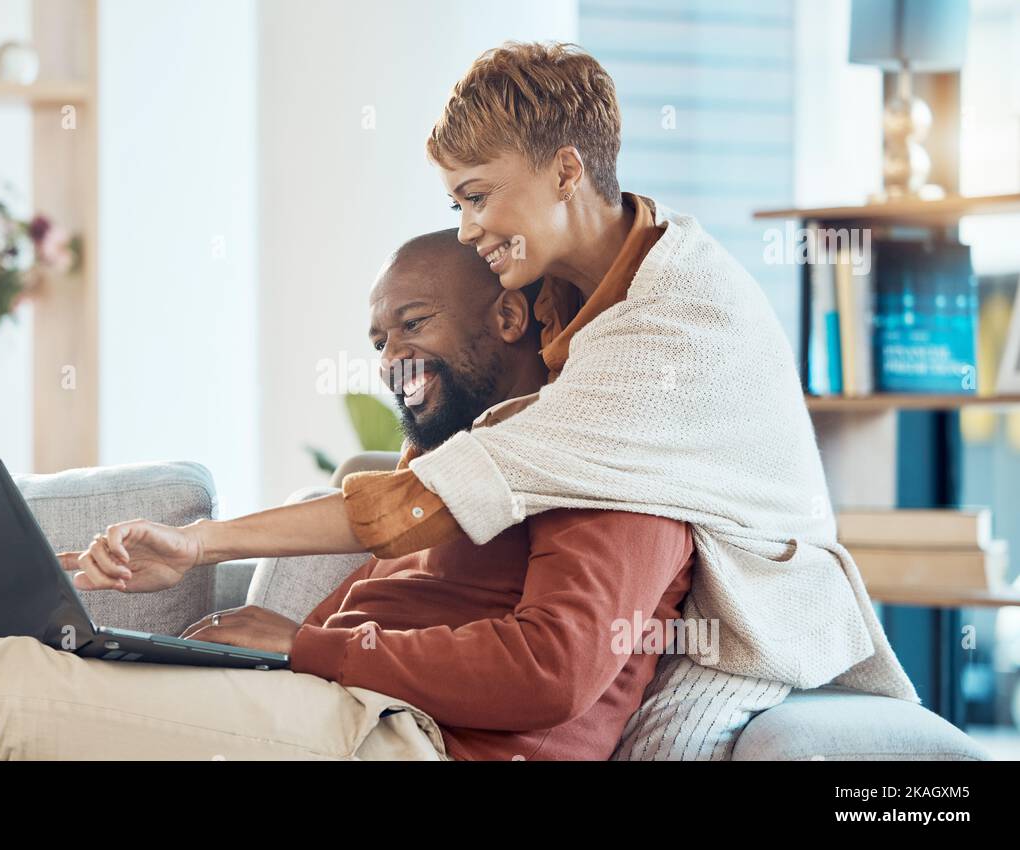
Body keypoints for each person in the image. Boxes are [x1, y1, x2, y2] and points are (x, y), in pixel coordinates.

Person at [66, 41, 917, 709]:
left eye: (479, 196)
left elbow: (430, 501)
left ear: (567, 171)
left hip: (752, 607)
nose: (469, 229)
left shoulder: (671, 330)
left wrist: (200, 544)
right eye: (456, 204)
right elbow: (442, 461)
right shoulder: (555, 279)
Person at [0, 232, 692, 761]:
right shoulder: (469, 466)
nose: (391, 359)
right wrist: (276, 637)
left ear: (513, 312)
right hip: (355, 710)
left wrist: (305, 645)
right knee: (17, 665)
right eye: (376, 339)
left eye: (413, 324)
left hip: (421, 745)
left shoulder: (609, 452)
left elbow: (552, 667)